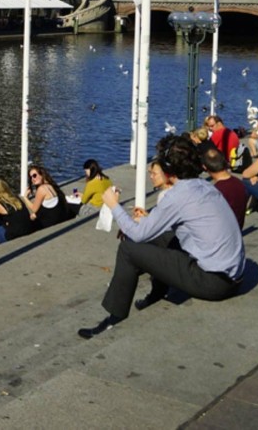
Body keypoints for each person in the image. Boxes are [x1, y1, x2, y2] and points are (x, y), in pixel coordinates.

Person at [77, 138, 245, 340]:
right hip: (232, 274)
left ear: (169, 171)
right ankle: (157, 294)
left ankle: (114, 318)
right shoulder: (203, 185)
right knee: (159, 237)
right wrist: (142, 223)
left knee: (129, 249)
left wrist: (114, 206)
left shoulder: (178, 195)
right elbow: (170, 225)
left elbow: (139, 235)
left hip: (213, 282)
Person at [202, 148, 246, 229]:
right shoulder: (239, 183)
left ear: (205, 167)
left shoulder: (216, 192)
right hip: (237, 229)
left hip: (223, 233)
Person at [22, 164, 68, 229]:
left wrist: (25, 198)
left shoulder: (41, 189)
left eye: (34, 175)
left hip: (50, 223)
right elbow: (46, 206)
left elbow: (34, 209)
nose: (32, 179)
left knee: (26, 223)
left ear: (41, 174)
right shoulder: (50, 186)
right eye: (31, 177)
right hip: (59, 218)